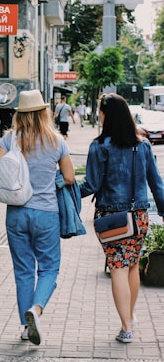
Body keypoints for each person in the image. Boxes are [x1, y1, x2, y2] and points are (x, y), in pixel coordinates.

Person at [78, 93, 164, 344]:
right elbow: (156, 184)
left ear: (106, 114)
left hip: (112, 218)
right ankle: (131, 316)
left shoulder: (99, 146)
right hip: (139, 217)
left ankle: (126, 327)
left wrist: (67, 190)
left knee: (118, 267)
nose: (99, 115)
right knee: (133, 264)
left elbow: (91, 185)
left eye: (100, 111)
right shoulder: (143, 145)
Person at [0, 90, 74, 345]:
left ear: (20, 113)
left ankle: (26, 327)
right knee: (49, 268)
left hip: (16, 213)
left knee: (23, 271)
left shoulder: (9, 140)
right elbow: (70, 177)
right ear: (44, 112)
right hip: (46, 213)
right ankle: (36, 310)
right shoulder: (56, 141)